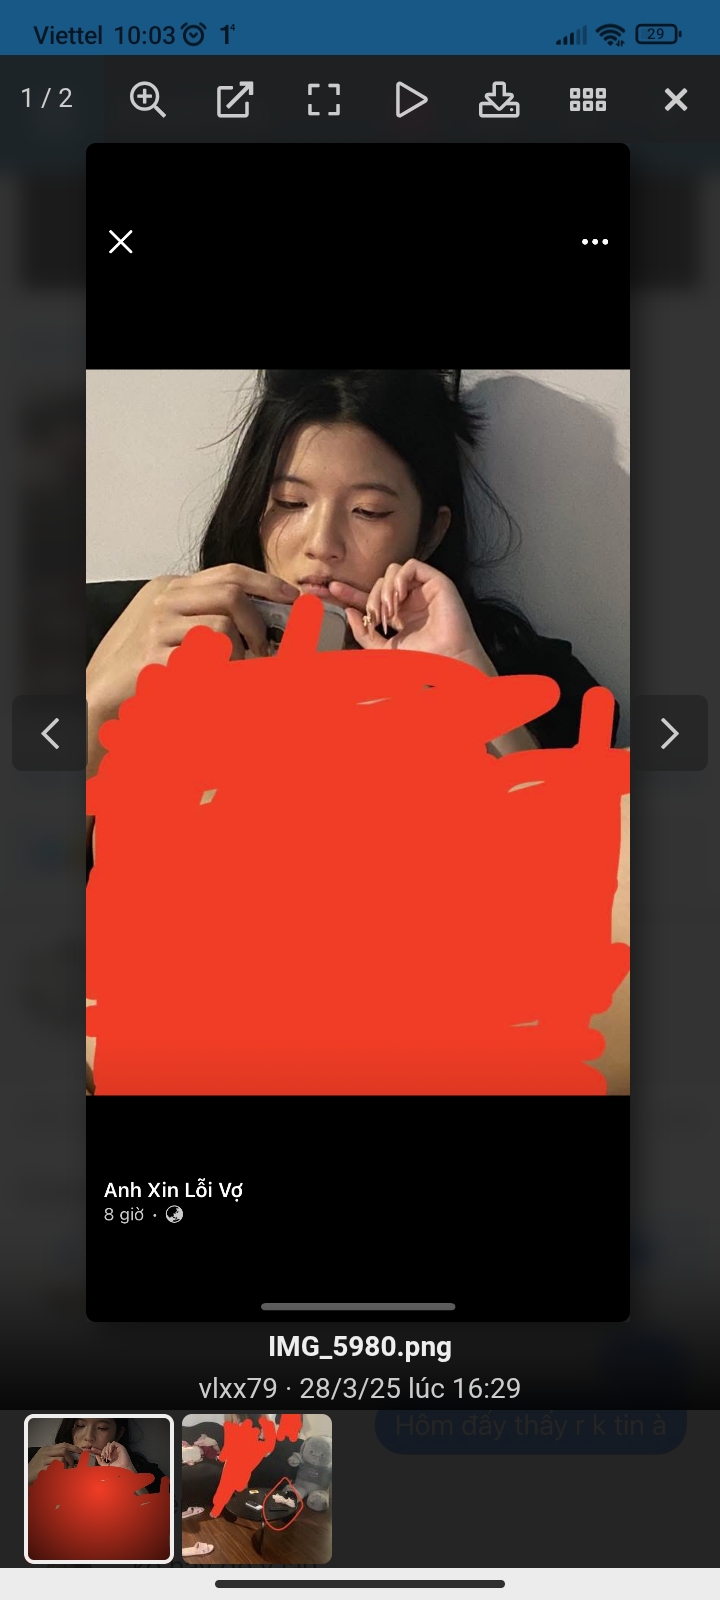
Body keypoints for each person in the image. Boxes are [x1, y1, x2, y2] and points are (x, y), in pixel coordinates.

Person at [86, 368, 615, 800]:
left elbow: (577, 879)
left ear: (430, 533)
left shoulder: (532, 684)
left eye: (369, 511)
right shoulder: (150, 635)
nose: (322, 543)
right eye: (291, 502)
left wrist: (463, 678)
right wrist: (99, 702)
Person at [28, 1418, 165, 1492]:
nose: (89, 1437)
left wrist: (128, 1473)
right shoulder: (37, 1458)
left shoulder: (145, 1472)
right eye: (80, 1425)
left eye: (102, 1428)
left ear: (118, 1433)